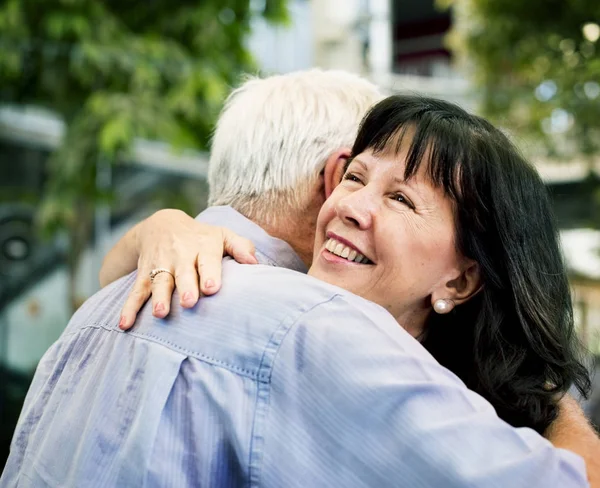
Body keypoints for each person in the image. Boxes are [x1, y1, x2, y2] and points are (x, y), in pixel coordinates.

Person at [2, 72, 598, 487]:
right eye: (358, 177)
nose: (356, 205)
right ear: (333, 174)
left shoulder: (105, 302)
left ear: (464, 279)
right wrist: (548, 400)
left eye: (401, 199)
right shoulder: (313, 329)